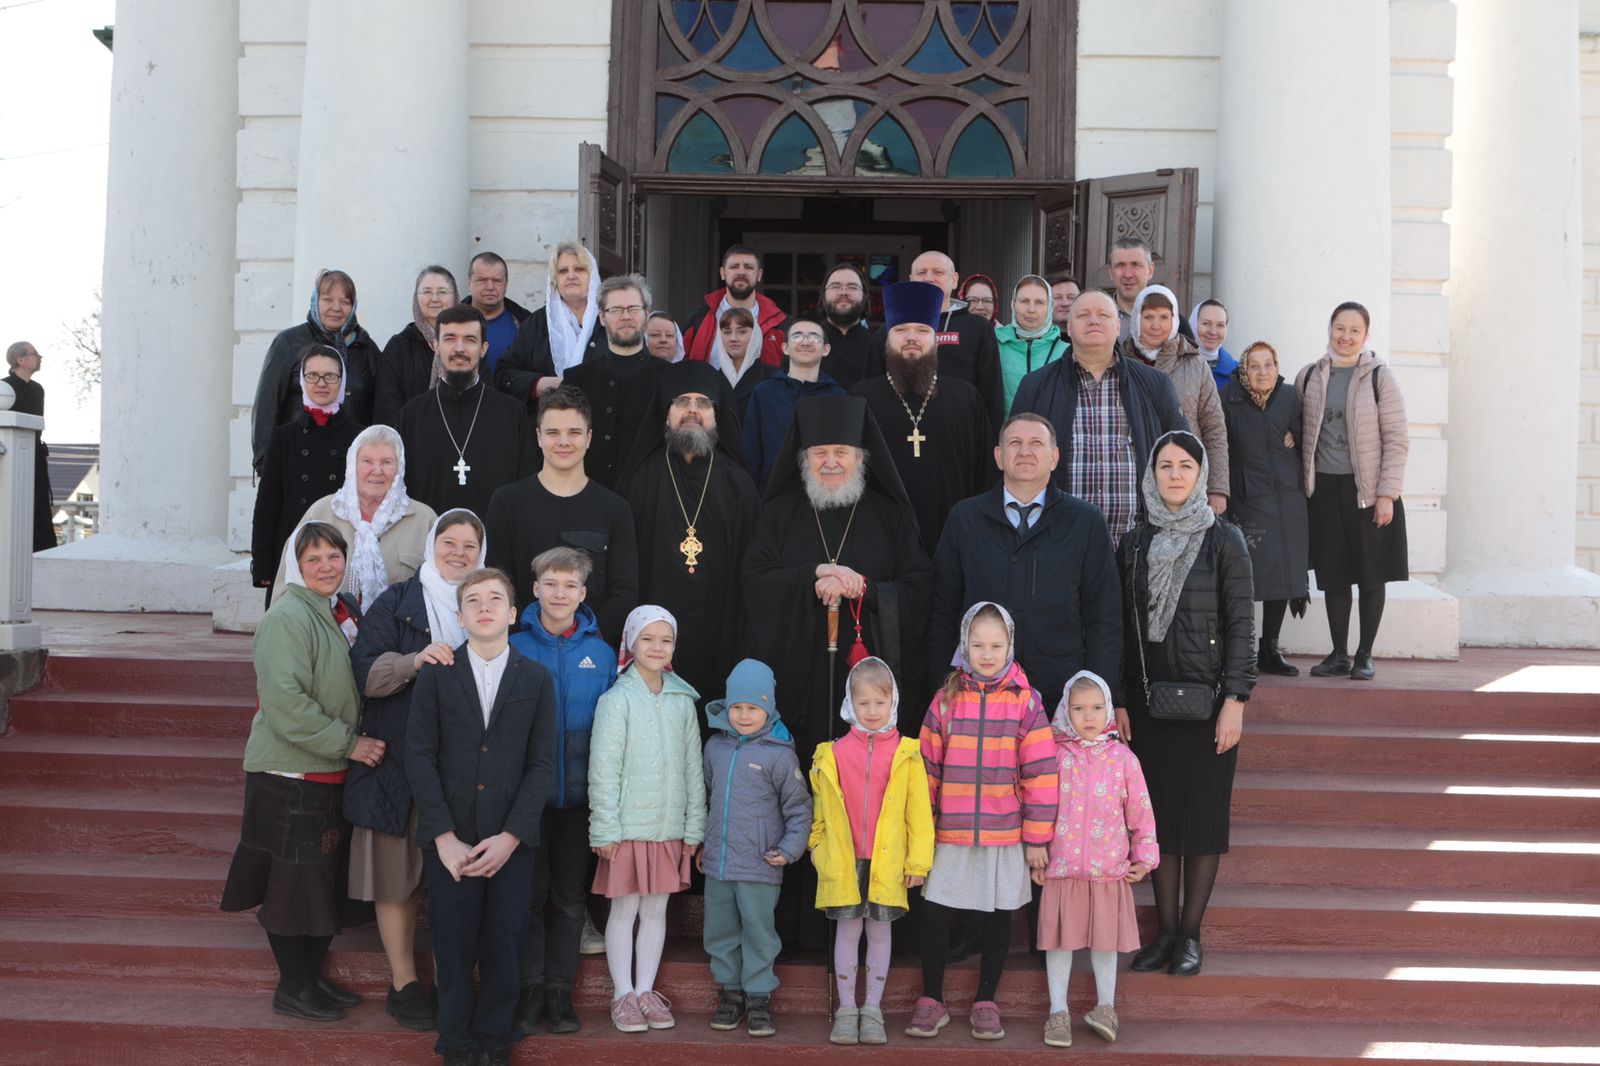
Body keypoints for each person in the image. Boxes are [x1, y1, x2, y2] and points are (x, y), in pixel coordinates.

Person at [220, 521, 380, 1023]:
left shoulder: (337, 611)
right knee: (291, 885)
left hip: (324, 769)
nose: (326, 567)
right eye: (314, 559)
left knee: (317, 882)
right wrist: (350, 744)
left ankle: (312, 979)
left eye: (334, 556)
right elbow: (286, 704)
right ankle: (292, 986)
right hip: (289, 774)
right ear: (296, 564)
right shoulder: (288, 616)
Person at [1115, 431, 1256, 980]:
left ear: (1200, 475)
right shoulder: (1132, 543)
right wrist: (1123, 699)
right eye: (1165, 466)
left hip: (1209, 706)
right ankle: (1165, 933)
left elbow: (1243, 626)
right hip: (1149, 706)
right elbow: (1124, 630)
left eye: (1185, 466)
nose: (1175, 475)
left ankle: (1191, 936)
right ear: (1152, 474)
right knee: (1159, 825)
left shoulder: (1225, 540)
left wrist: (1236, 700)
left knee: (1199, 823)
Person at [405, 566, 558, 1066]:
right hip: (452, 839)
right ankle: (454, 1040)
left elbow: (542, 765)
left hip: (510, 843)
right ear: (461, 614)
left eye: (496, 599)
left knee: (504, 943)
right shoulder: (437, 676)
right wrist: (443, 837)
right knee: (452, 944)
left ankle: (494, 1039)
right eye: (474, 600)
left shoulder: (536, 678)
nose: (485, 607)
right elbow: (420, 756)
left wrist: (512, 836)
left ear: (514, 613)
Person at [344, 508, 484, 1032]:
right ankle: (404, 983)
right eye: (449, 542)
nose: (458, 554)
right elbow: (364, 674)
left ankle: (455, 980)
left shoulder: (488, 601)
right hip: (399, 759)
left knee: (459, 880)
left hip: (467, 769)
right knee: (396, 876)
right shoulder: (398, 600)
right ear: (432, 545)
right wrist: (414, 661)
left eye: (470, 546)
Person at [908, 601, 1057, 1042]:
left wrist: (1037, 838)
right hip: (950, 827)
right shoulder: (946, 699)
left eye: (996, 645)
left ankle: (986, 1000)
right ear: (963, 645)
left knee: (998, 914)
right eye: (978, 645)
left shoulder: (1026, 703)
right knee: (935, 909)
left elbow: (1042, 774)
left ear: (1011, 645)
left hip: (1004, 830)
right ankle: (931, 999)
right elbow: (927, 769)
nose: (987, 654)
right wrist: (923, 830)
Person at [929, 412, 1122, 711]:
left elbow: (1104, 618)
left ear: (1055, 457)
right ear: (999, 456)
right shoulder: (964, 519)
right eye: (1015, 443)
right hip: (977, 694)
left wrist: (1099, 699)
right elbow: (942, 611)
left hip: (1061, 697)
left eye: (1036, 443)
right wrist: (943, 688)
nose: (1025, 451)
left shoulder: (1085, 522)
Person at [509, 547, 618, 1036]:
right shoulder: (513, 645)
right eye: (551, 584)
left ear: (583, 593)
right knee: (530, 899)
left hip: (579, 799)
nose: (560, 594)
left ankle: (560, 992)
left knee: (572, 900)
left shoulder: (602, 651)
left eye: (570, 586)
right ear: (535, 589)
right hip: (527, 799)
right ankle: (530, 990)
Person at [588, 606, 707, 1034]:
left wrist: (693, 828)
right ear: (631, 644)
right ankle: (622, 994)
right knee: (624, 911)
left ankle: (644, 990)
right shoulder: (616, 700)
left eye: (666, 640)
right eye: (648, 639)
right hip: (626, 830)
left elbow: (693, 769)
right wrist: (605, 828)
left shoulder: (682, 700)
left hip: (667, 829)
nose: (657, 648)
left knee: (656, 911)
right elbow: (603, 769)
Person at [810, 657, 933, 1047]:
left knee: (879, 934)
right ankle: (847, 1009)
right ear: (850, 703)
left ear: (893, 702)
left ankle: (873, 1009)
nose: (873, 711)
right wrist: (818, 851)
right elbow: (820, 815)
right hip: (845, 862)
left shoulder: (908, 753)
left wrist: (917, 862)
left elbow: (919, 816)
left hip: (887, 863)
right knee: (847, 932)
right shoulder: (831, 753)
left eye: (880, 703)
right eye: (864, 703)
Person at [618, 360, 757, 702]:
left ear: (717, 415)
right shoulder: (640, 479)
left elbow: (752, 564)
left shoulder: (738, 483)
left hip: (721, 627)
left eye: (703, 403)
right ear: (666, 414)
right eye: (682, 402)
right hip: (654, 630)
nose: (692, 411)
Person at [1037, 671, 1158, 1048]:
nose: (1088, 716)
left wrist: (1146, 856)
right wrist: (1036, 849)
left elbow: (1140, 810)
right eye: (1078, 708)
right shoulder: (1055, 756)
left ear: (1108, 709)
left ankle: (1106, 1007)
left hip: (1109, 871)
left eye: (1096, 708)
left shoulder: (1123, 758)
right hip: (1062, 869)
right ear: (1065, 712)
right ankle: (1058, 1012)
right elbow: (1039, 806)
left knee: (1104, 944)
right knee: (1060, 943)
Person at [1010, 290, 1188, 545]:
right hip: (1059, 544)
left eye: (1103, 315)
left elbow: (1183, 454)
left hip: (1137, 545)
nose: (1093, 321)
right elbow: (1015, 462)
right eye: (1083, 315)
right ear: (1068, 328)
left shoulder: (1155, 384)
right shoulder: (1035, 386)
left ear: (1118, 326)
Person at [1295, 302, 1409, 681]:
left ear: (1365, 335)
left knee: (1371, 574)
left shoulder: (1380, 378)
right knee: (1334, 575)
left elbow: (1396, 439)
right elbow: (1299, 424)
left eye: (1354, 330)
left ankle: (1364, 654)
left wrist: (1387, 494)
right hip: (1325, 489)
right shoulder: (1310, 375)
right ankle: (1339, 653)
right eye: (1339, 328)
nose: (1345, 336)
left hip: (1368, 492)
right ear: (1329, 329)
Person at [700, 659, 813, 1040]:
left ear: (769, 709)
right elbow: (707, 798)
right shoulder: (715, 747)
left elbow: (800, 809)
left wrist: (790, 849)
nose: (744, 715)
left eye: (753, 708)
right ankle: (730, 994)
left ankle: (760, 997)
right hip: (718, 864)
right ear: (727, 706)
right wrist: (702, 843)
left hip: (762, 864)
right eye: (737, 707)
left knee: (759, 932)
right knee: (720, 931)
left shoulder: (780, 754)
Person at [852, 279, 995, 556]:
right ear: (887, 339)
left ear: (936, 340)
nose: (911, 338)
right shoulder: (861, 398)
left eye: (922, 330)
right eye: (901, 330)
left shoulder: (966, 398)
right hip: (879, 537)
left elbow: (985, 474)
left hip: (954, 538)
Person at [486, 385, 638, 643]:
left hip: (591, 654)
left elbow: (624, 592)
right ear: (538, 437)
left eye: (574, 432)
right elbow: (500, 582)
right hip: (522, 650)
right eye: (553, 433)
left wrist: (583, 638)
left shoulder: (615, 509)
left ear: (589, 438)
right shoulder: (506, 502)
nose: (564, 442)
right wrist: (533, 637)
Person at [271, 424, 435, 608]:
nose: (377, 470)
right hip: (327, 633)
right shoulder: (321, 512)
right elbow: (288, 586)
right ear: (352, 465)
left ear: (400, 467)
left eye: (387, 462)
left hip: (398, 635)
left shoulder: (424, 520)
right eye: (367, 461)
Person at [1222, 341, 1310, 676]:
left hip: (1288, 500)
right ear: (1244, 370)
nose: (1262, 372)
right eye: (1255, 366)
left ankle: (1270, 648)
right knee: (1246, 579)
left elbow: (1309, 433)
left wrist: (1294, 434)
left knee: (1283, 578)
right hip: (1247, 500)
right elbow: (1221, 445)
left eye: (1268, 365)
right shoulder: (1229, 398)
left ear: (1277, 367)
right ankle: (1241, 652)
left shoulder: (1289, 398)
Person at [399, 304, 536, 519]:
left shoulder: (512, 414)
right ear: (436, 345)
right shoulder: (412, 415)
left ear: (483, 348)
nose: (459, 348)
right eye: (450, 338)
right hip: (429, 545)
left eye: (470, 340)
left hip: (494, 543)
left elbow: (525, 491)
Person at [253, 346, 364, 605]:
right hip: (292, 547)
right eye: (312, 375)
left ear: (342, 380)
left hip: (339, 549)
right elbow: (268, 504)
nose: (321, 383)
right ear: (303, 380)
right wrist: (263, 565)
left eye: (330, 376)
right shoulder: (283, 437)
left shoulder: (360, 437)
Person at [252, 269, 378, 474]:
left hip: (350, 464)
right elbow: (267, 404)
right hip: (297, 461)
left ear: (353, 306)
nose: (336, 308)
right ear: (315, 301)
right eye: (328, 299)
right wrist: (265, 462)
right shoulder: (289, 342)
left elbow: (378, 405)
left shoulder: (364, 347)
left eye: (345, 302)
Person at [869, 251, 1005, 427]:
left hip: (960, 428)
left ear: (954, 279)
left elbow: (991, 392)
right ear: (911, 278)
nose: (929, 278)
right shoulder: (888, 330)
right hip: (900, 426)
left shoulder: (978, 328)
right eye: (921, 272)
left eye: (938, 272)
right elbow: (872, 387)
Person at [1130, 284, 1230, 514]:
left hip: (1183, 479)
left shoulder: (1195, 364)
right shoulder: (1121, 361)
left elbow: (1214, 428)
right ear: (1137, 319)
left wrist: (1217, 488)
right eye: (1149, 317)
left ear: (1174, 320)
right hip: (1132, 478)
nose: (1156, 325)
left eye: (1164, 317)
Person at [562, 274, 669, 489]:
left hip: (652, 500)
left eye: (633, 309)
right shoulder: (576, 379)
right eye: (616, 310)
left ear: (647, 314)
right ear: (602, 317)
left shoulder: (670, 378)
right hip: (589, 499)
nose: (626, 316)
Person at [743, 318, 846, 495]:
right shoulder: (764, 393)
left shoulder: (839, 396)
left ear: (826, 349)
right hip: (773, 496)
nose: (805, 342)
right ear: (785, 348)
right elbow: (751, 454)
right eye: (797, 336)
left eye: (813, 337)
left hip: (824, 495)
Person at [496, 241, 603, 406]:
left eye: (579, 269)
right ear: (554, 279)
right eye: (563, 271)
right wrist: (543, 384)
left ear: (592, 275)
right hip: (547, 424)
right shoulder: (537, 323)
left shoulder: (609, 320)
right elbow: (504, 375)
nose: (571, 275)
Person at [373, 266, 459, 428]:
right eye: (426, 291)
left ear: (455, 297)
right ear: (416, 298)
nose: (434, 298)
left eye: (442, 291)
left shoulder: (467, 345)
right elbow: (386, 408)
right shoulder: (398, 347)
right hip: (410, 444)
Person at [682, 244, 790, 368]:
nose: (741, 272)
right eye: (734, 267)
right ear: (722, 273)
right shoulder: (698, 319)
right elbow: (682, 365)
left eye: (748, 267)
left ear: (759, 275)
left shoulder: (781, 324)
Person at [4, 341, 55, 551]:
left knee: (39, 508)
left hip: (35, 456)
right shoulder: (4, 388)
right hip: (10, 459)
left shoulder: (38, 389)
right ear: (20, 360)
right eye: (34, 354)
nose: (39, 356)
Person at [994, 275, 1070, 413]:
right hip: (1005, 432)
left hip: (1049, 433)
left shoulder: (1066, 351)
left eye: (1039, 302)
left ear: (1050, 307)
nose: (1031, 309)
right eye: (1024, 301)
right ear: (1013, 304)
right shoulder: (994, 344)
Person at [1105, 238, 1195, 345]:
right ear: (1110, 272)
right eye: (1120, 265)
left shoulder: (1178, 325)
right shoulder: (1097, 320)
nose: (1128, 274)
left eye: (1136, 265)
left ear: (1150, 270)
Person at [463, 252, 532, 376]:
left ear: (506, 285)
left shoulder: (527, 324)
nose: (490, 287)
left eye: (497, 281)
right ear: (469, 283)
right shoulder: (449, 324)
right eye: (482, 280)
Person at [819, 263, 877, 389]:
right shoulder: (805, 342)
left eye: (852, 287)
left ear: (864, 296)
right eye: (835, 286)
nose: (843, 292)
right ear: (823, 295)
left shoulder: (878, 345)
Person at [1191, 299, 1238, 393]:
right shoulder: (1175, 365)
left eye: (1220, 325)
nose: (1213, 332)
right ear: (1193, 324)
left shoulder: (1239, 373)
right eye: (1206, 323)